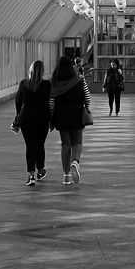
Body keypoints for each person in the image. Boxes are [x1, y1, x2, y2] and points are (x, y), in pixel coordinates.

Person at [50, 54, 91, 185]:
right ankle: (75, 162)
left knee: (65, 144)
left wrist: (52, 116)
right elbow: (87, 97)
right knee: (77, 142)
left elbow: (51, 102)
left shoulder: (55, 82)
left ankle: (66, 176)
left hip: (61, 117)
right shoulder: (80, 79)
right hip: (77, 114)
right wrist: (87, 108)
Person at [14, 59, 51, 186]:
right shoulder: (47, 85)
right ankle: (40, 170)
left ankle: (31, 176)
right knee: (40, 145)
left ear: (31, 70)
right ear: (42, 71)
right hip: (43, 119)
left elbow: (18, 101)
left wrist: (18, 116)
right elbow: (51, 103)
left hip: (26, 119)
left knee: (30, 146)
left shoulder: (24, 84)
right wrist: (52, 119)